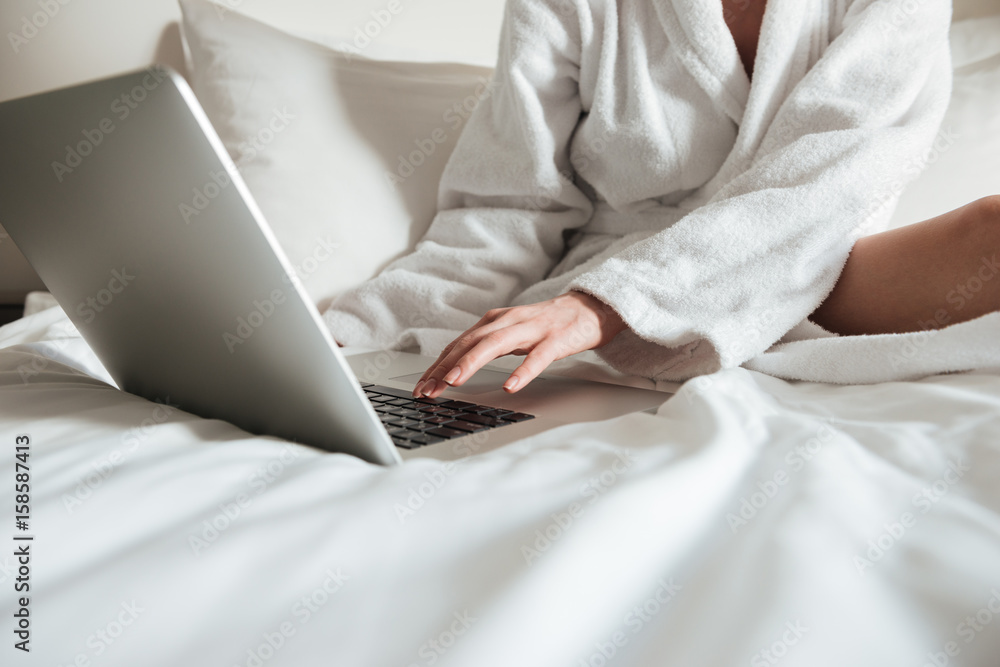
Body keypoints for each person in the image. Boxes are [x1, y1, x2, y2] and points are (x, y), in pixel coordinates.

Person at [324, 0, 999, 398]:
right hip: (587, 290)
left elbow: (827, 182)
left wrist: (613, 302)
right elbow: (510, 202)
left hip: (808, 260)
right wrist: (360, 332)